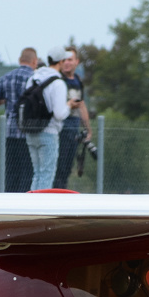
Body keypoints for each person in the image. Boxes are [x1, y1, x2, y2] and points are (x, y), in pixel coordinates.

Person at [0, 48, 39, 193]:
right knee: (27, 171)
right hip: (28, 132)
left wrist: (9, 99)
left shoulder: (6, 77)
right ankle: (24, 201)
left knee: (10, 171)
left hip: (10, 132)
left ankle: (9, 200)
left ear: (19, 60)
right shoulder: (35, 79)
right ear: (34, 61)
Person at [23, 50, 71, 190]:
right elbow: (59, 114)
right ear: (61, 61)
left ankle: (31, 205)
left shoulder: (33, 78)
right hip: (49, 131)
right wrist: (69, 105)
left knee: (37, 173)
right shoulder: (58, 83)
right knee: (47, 174)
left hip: (30, 130)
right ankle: (41, 208)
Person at [51, 46, 92, 189]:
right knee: (58, 168)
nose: (67, 63)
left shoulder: (78, 81)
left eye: (70, 60)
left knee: (67, 168)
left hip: (73, 130)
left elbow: (82, 105)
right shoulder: (57, 80)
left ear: (76, 61)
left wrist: (88, 129)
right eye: (65, 60)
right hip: (60, 129)